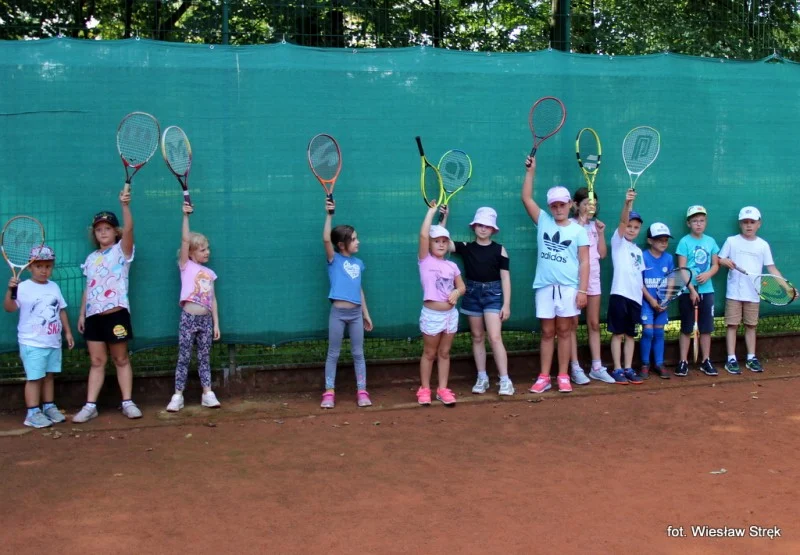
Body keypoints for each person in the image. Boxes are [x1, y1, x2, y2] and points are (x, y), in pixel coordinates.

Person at [521, 156, 589, 394]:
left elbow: (584, 262)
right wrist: (531, 172)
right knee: (548, 332)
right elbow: (526, 198)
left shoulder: (579, 231)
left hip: (570, 289)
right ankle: (544, 377)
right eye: (554, 205)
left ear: (570, 204)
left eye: (562, 204)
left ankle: (562, 375)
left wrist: (583, 290)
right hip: (545, 287)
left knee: (564, 331)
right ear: (550, 207)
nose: (558, 208)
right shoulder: (543, 222)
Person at [73, 188, 140, 423]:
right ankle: (90, 406)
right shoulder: (91, 259)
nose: (103, 232)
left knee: (121, 359)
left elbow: (130, 230)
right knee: (97, 361)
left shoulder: (122, 251)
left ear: (115, 231)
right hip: (93, 317)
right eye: (99, 229)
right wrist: (82, 313)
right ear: (95, 233)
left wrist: (125, 206)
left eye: (107, 228)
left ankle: (128, 402)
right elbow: (89, 288)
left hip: (116, 316)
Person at [441, 205, 514, 396]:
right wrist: (444, 218)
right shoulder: (466, 247)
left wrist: (506, 304)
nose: (483, 228)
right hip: (472, 294)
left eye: (487, 226)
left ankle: (505, 380)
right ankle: (482, 377)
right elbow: (443, 243)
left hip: (494, 296)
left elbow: (505, 278)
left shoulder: (500, 250)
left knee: (495, 337)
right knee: (477, 336)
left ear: (493, 229)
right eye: (480, 225)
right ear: (474, 227)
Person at [4, 245, 75, 428]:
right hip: (32, 342)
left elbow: (61, 310)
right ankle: (32, 412)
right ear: (29, 267)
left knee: (49, 376)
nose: (44, 270)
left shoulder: (54, 286)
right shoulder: (23, 287)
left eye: (48, 266)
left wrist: (67, 332)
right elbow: (9, 308)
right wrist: (10, 291)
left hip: (52, 342)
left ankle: (49, 407)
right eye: (39, 266)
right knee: (34, 378)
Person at [718, 206, 790, 374]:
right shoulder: (731, 241)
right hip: (734, 293)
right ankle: (731, 359)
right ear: (740, 224)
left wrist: (786, 287)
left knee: (751, 326)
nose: (748, 225)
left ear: (759, 224)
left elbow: (772, 269)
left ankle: (751, 357)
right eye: (745, 222)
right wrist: (725, 262)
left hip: (754, 293)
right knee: (732, 325)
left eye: (752, 222)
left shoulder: (763, 245)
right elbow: (720, 259)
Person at [166, 203, 222, 412]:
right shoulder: (186, 266)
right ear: (190, 253)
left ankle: (207, 393)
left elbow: (213, 299)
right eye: (202, 249)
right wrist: (185, 216)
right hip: (188, 318)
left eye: (208, 248)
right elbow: (184, 239)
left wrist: (216, 323)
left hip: (206, 321)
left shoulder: (210, 273)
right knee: (184, 356)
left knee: (204, 357)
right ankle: (177, 396)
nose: (207, 252)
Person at [320, 198, 373, 409]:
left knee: (358, 353)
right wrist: (329, 215)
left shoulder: (358, 263)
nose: (358, 242)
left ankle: (362, 391)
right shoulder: (334, 259)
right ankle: (329, 392)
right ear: (342, 245)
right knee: (333, 353)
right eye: (354, 239)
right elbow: (326, 239)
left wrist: (366, 314)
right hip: (338, 314)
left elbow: (358, 289)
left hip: (356, 314)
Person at [417, 202, 466, 407]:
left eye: (444, 241)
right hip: (431, 316)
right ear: (429, 243)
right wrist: (431, 212)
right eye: (436, 241)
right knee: (429, 353)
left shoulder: (452, 265)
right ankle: (425, 389)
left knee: (444, 353)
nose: (440, 244)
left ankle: (443, 389)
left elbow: (462, 287)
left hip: (450, 316)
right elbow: (423, 235)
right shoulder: (424, 261)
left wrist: (457, 291)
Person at [567, 187, 612, 385]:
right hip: (573, 280)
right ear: (576, 205)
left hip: (593, 279)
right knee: (572, 325)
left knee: (594, 324)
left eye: (592, 204)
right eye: (586, 204)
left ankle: (596, 367)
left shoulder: (596, 226)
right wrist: (582, 224)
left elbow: (602, 254)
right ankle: (575, 367)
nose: (589, 208)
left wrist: (601, 233)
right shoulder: (569, 225)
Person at [606, 189, 646, 384]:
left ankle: (629, 367)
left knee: (630, 335)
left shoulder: (638, 251)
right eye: (629, 225)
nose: (631, 229)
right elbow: (622, 222)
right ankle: (618, 369)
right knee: (618, 333)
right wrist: (627, 204)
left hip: (635, 299)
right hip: (619, 295)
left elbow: (640, 278)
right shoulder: (618, 241)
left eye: (636, 227)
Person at [675, 205, 720, 377]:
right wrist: (692, 289)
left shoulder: (711, 242)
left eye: (701, 221)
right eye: (694, 221)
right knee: (686, 327)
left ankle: (706, 360)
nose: (698, 224)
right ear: (688, 223)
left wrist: (708, 274)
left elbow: (715, 264)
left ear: (705, 222)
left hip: (707, 291)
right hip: (688, 292)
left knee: (706, 328)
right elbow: (682, 269)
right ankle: (683, 361)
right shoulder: (684, 242)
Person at [640, 223, 675, 379]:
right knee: (648, 332)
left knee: (659, 333)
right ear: (649, 241)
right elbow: (638, 282)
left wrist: (666, 299)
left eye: (666, 240)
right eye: (659, 239)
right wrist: (651, 300)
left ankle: (659, 364)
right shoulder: (643, 256)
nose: (663, 243)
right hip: (647, 302)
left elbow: (672, 279)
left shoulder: (668, 258)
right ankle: (645, 364)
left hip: (662, 304)